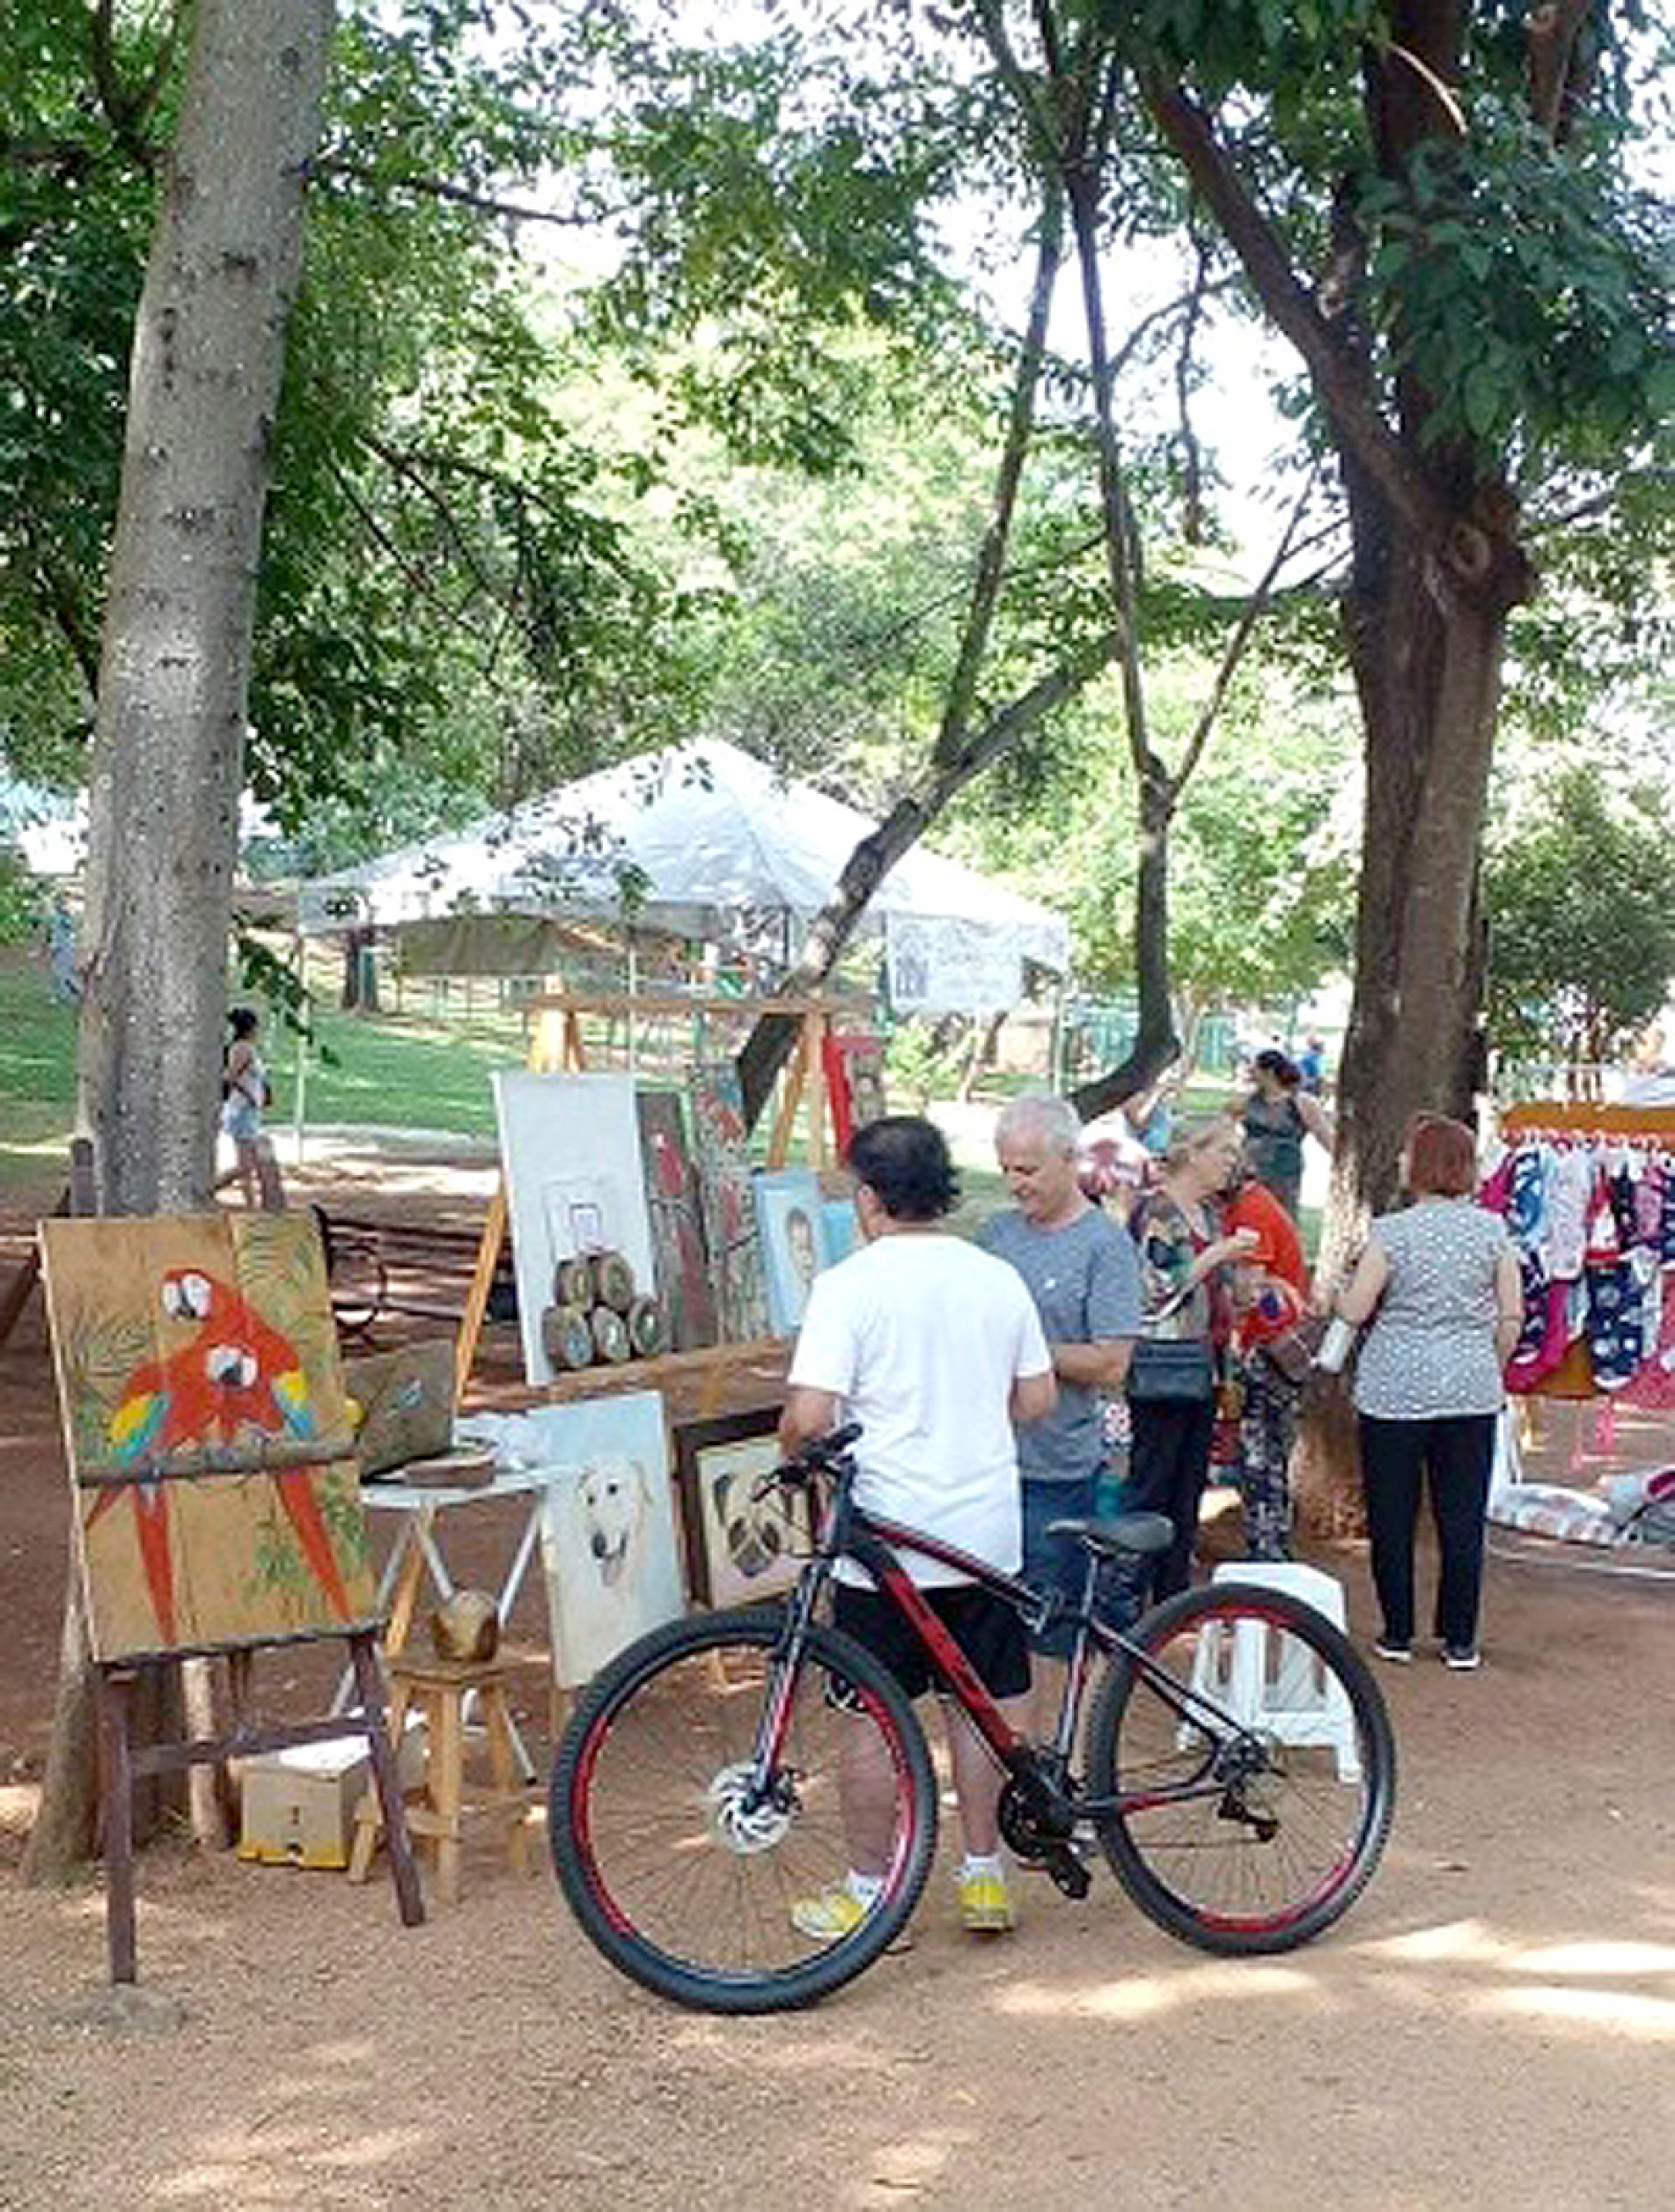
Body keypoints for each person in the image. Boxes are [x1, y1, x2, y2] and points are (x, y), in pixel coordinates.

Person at [779, 1116, 1055, 1940]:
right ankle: (983, 1874)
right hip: (984, 1535)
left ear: (868, 1197)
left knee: (870, 1714)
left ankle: (871, 1892)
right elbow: (1037, 1399)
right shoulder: (995, 1276)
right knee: (983, 1706)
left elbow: (810, 1415)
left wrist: (791, 1448)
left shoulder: (848, 1286)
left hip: (885, 1543)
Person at [1334, 1112, 1523, 1670]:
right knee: (1461, 1515)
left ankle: (1397, 1631)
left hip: (1395, 1386)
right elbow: (1511, 1314)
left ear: (1420, 1165)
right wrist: (1489, 1364)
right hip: (1470, 1386)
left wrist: (1341, 1291)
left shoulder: (1392, 1232)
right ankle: (1460, 1637)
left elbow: (1357, 1308)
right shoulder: (1493, 1231)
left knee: (1392, 1513)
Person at [979, 1093, 1142, 1726]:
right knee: (992, 1626)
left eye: (1028, 1169)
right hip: (988, 1463)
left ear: (1069, 1159)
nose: (1015, 1183)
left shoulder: (1104, 1245)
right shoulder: (994, 1236)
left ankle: (1056, 1754)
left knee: (1050, 1630)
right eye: (1006, 1169)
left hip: (1060, 1465)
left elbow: (1111, 1361)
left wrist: (1025, 1353)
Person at [1126, 1116, 1259, 1608]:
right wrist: (1216, 1256)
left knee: (1188, 1488)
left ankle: (1172, 1598)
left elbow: (1210, 1290)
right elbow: (1155, 1288)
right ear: (1193, 1154)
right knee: (1153, 1483)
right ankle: (1131, 1596)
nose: (1231, 1163)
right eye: (1224, 1152)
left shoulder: (1210, 1215)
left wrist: (1241, 1286)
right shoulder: (1158, 1211)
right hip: (1164, 1366)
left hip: (1204, 1367)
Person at [1221, 1159, 1311, 1560]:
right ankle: (1270, 1541)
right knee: (1267, 1449)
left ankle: (1267, 1547)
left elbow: (1248, 1290)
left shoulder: (1251, 1211)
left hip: (1268, 1345)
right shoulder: (1257, 1203)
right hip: (1272, 1342)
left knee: (1259, 1451)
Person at [1239, 1048, 1334, 1219]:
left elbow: (1324, 1135)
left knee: (1280, 1216)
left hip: (1283, 1172)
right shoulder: (1248, 1101)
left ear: (1269, 1072)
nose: (1251, 1072)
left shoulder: (1301, 1102)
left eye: (1255, 1068)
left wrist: (1342, 1161)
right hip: (1250, 1169)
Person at [220, 1006, 268, 1207]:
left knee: (250, 1163)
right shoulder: (242, 1049)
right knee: (245, 1164)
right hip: (242, 1109)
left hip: (249, 1109)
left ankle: (251, 1203)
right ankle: (249, 1204)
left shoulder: (248, 1048)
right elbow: (230, 1076)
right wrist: (249, 1095)